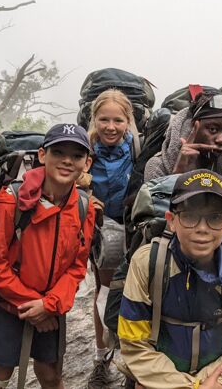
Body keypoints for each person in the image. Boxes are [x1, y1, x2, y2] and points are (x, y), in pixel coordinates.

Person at [0, 123, 97, 389]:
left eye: (76, 156)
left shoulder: (84, 207)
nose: (67, 161)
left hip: (51, 306)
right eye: (59, 153)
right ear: (43, 155)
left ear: (86, 163)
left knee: (51, 374)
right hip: (9, 305)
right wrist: (36, 307)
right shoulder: (9, 201)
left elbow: (78, 266)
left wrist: (50, 305)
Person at [118, 169, 222, 389]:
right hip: (156, 381)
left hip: (215, 380)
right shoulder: (148, 262)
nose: (202, 229)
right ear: (171, 220)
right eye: (190, 216)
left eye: (215, 217)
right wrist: (191, 386)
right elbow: (134, 342)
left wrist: (206, 384)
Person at [144, 87, 222, 239]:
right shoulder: (158, 165)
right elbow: (158, 230)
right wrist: (177, 178)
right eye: (213, 129)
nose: (221, 139)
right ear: (191, 127)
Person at [85, 90, 137, 387]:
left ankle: (132, 363)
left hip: (134, 227)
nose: (110, 127)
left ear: (128, 121)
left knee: (138, 292)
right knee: (105, 290)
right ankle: (102, 357)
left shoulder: (138, 149)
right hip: (101, 230)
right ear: (94, 119)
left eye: (118, 120)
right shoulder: (85, 150)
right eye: (104, 119)